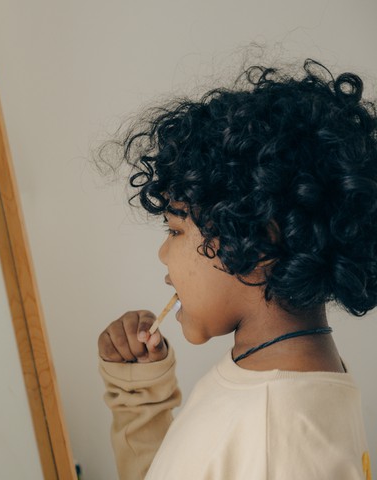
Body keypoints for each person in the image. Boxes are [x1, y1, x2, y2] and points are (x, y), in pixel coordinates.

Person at [97, 59, 375, 480]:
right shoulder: (278, 387)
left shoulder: (276, 442)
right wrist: (139, 395)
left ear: (258, 241)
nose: (163, 256)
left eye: (174, 230)